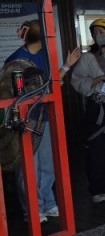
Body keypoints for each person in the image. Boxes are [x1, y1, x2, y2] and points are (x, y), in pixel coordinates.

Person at [5, 19, 79, 222]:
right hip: (26, 119)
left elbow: (51, 84)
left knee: (47, 164)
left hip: (43, 117)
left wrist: (65, 66)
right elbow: (25, 93)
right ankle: (32, 208)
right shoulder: (16, 61)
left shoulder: (44, 57)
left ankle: (47, 202)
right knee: (28, 166)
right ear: (43, 36)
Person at [70, 18, 105, 204]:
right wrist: (98, 79)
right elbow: (76, 81)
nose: (98, 35)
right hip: (98, 108)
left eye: (102, 32)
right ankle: (98, 189)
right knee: (97, 149)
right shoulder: (87, 58)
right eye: (95, 32)